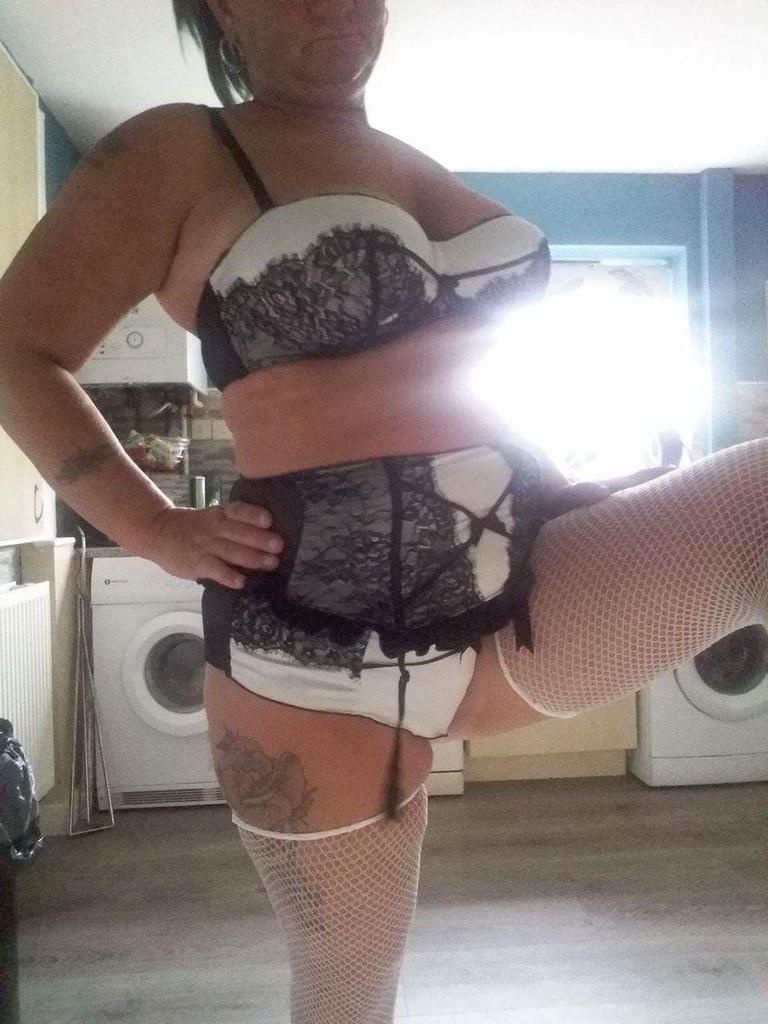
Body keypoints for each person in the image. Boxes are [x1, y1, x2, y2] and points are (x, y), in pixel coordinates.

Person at [1, 1, 766, 1020]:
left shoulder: (415, 159)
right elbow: (18, 347)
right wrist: (150, 527)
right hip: (307, 658)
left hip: (516, 603)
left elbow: (455, 386)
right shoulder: (182, 150)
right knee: (348, 996)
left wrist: (559, 486)